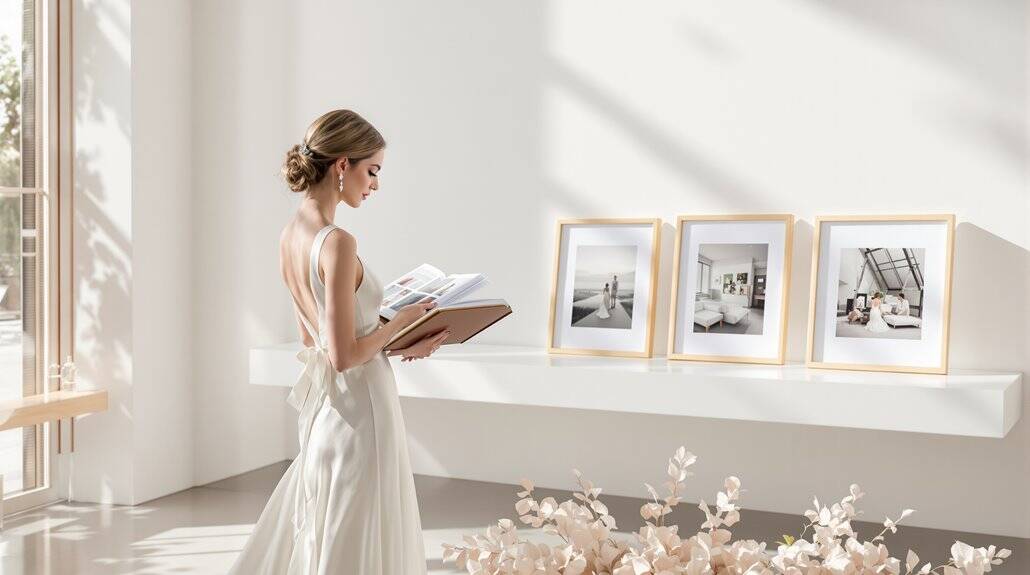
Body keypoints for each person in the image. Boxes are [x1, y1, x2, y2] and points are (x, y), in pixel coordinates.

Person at [229, 110, 444, 574]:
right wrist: (400, 322)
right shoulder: (338, 241)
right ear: (343, 165)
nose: (375, 185)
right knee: (363, 527)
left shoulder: (290, 235)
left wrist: (397, 339)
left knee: (335, 527)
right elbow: (344, 355)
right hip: (363, 409)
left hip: (329, 410)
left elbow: (315, 342)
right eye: (373, 171)